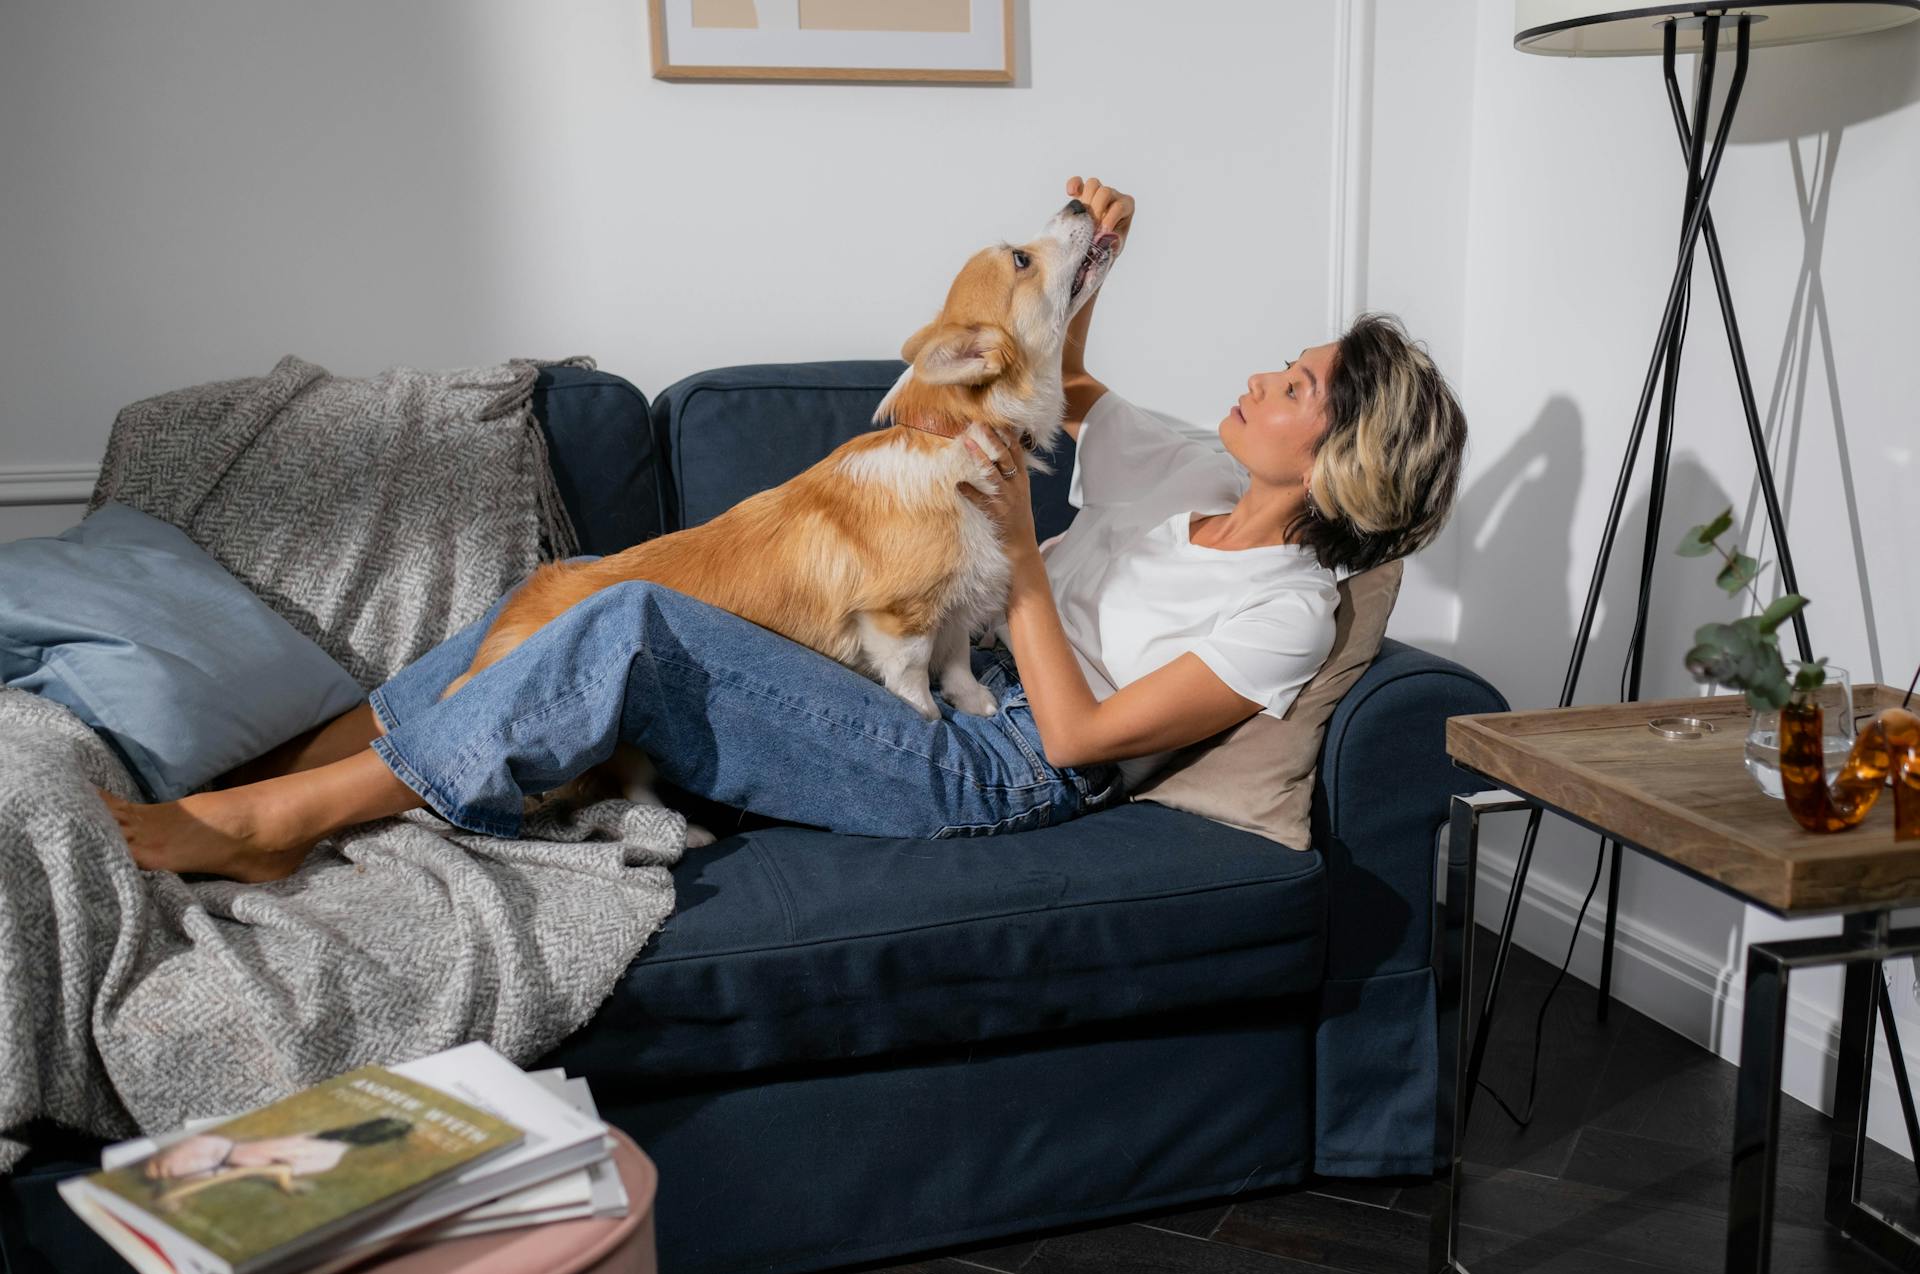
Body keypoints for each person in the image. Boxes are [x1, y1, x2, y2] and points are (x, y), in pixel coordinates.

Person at [100, 176, 1468, 883]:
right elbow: (1041, 372)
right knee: (573, 582)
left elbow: (1076, 743)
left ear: (1337, 454)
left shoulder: (1285, 610)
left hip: (989, 770)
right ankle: (278, 768)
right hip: (954, 703)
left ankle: (281, 820)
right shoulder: (1188, 476)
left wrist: (1029, 560)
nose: (1259, 379)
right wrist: (1093, 253)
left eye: (1292, 386)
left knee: (630, 621)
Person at [143, 1116, 413, 1206]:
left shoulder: (320, 1137)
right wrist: (288, 1186)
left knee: (154, 1172)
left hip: (214, 1147)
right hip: (214, 1163)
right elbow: (275, 1168)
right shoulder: (327, 1157)